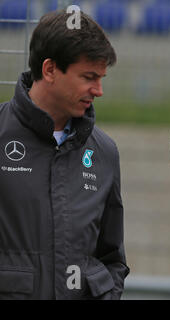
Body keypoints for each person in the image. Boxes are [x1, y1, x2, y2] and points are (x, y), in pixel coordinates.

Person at [0, 10, 129, 299]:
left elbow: (113, 260)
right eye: (89, 77)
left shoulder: (104, 152)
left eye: (101, 77)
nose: (99, 90)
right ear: (49, 70)